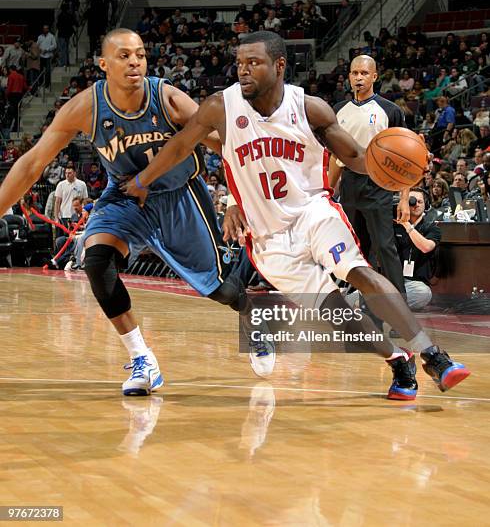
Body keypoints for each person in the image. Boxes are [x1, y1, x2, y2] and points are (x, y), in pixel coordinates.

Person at [121, 31, 470, 400]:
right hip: (268, 238)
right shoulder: (219, 108)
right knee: (338, 319)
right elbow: (178, 147)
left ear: (279, 65)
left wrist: (396, 169)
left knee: (360, 272)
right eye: (239, 64)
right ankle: (399, 360)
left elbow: (354, 157)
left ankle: (435, 357)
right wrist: (143, 180)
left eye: (253, 63)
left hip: (312, 212)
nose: (243, 71)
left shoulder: (310, 108)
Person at [0, 28, 247, 397]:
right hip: (126, 195)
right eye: (124, 55)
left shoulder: (167, 98)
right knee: (96, 259)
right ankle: (143, 360)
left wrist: (237, 199)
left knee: (222, 290)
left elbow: (226, 141)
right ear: (103, 64)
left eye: (140, 55)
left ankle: (253, 318)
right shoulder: (86, 106)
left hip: (179, 196)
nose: (134, 61)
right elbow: (33, 163)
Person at [328, 55, 409, 303]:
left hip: (379, 184)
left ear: (374, 76)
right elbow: (335, 157)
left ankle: (400, 308)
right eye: (354, 73)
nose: (359, 78)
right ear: (349, 77)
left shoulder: (390, 111)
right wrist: (328, 192)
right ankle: (366, 302)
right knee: (356, 250)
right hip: (350, 185)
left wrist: (404, 198)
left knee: (385, 248)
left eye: (364, 73)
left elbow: (406, 157)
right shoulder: (337, 111)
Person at [394, 189, 441, 310]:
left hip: (414, 284)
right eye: (412, 201)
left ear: (426, 205)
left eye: (420, 201)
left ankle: (382, 306)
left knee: (423, 293)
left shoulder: (431, 228)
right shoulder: (394, 226)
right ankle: (388, 305)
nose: (416, 204)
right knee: (357, 294)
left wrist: (406, 225)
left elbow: (426, 247)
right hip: (393, 279)